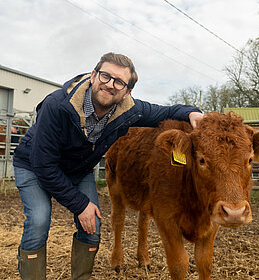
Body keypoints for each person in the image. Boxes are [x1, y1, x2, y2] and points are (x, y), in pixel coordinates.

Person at [12, 52, 203, 280]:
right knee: (39, 220)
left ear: (127, 92)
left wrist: (193, 112)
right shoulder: (57, 105)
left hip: (77, 170)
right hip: (34, 166)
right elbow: (44, 165)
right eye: (105, 76)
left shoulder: (128, 110)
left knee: (92, 229)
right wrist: (80, 204)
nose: (110, 85)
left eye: (119, 82)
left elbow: (166, 111)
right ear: (93, 76)